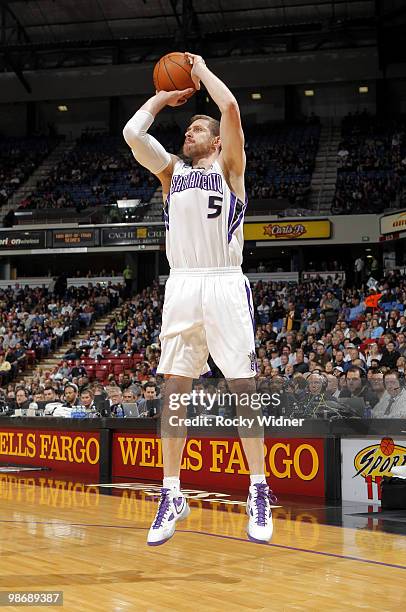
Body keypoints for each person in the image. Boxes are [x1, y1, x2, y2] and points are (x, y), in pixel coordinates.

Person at [123, 51, 273, 546]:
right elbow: (132, 134)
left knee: (243, 389)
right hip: (183, 283)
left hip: (226, 282)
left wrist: (201, 68)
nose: (187, 135)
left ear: (213, 140)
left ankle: (258, 487)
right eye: (186, 131)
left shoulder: (232, 168)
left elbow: (229, 107)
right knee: (174, 390)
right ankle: (172, 493)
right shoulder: (170, 172)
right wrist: (165, 96)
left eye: (195, 131)